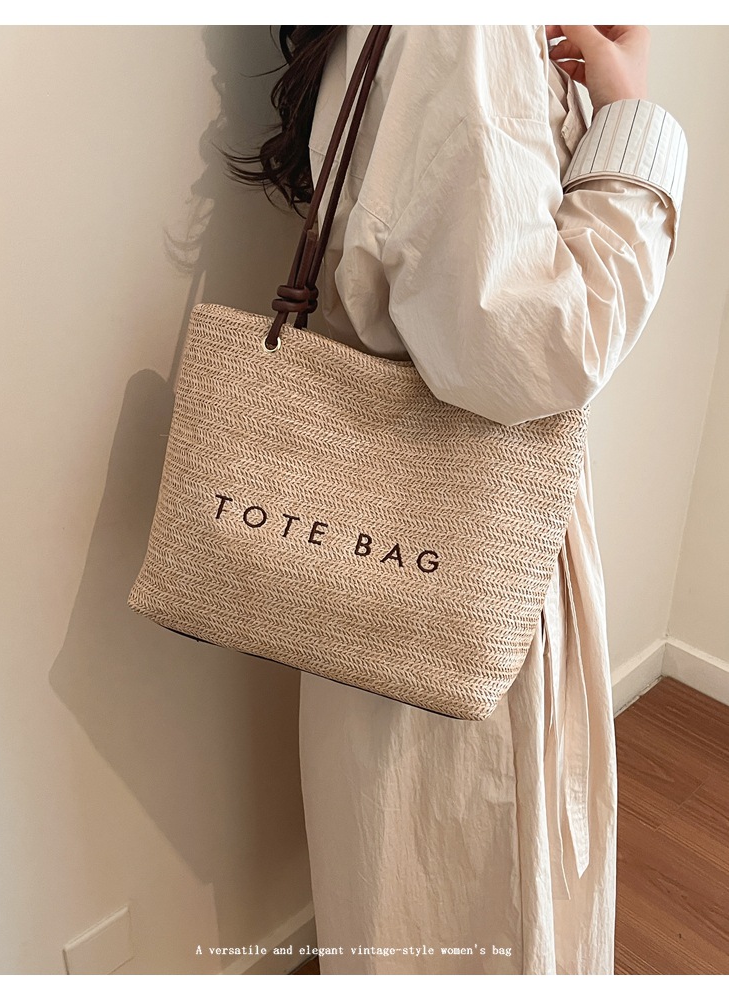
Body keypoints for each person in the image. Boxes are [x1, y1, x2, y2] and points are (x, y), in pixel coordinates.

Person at [227, 24, 687, 974]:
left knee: (416, 901)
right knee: (475, 906)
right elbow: (537, 353)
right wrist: (632, 119)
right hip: (465, 556)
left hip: (412, 544)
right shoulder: (465, 31)